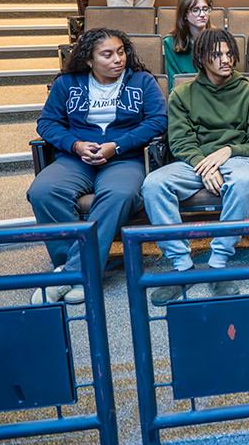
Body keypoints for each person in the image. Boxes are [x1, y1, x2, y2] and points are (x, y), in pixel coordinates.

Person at [28, 29, 167, 304]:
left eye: (121, 52)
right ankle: (77, 268)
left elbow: (157, 121)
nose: (118, 59)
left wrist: (117, 145)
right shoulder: (67, 83)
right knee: (42, 191)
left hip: (124, 158)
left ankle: (71, 275)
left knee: (119, 195)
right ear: (89, 59)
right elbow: (47, 123)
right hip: (76, 158)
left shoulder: (142, 81)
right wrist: (76, 145)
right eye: (107, 54)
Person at [141, 29, 249, 305]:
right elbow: (180, 141)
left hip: (237, 159)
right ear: (201, 58)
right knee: (153, 183)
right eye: (217, 54)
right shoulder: (182, 94)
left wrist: (228, 151)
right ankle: (181, 266)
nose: (225, 60)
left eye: (228, 54)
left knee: (244, 181)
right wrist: (204, 165)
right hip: (194, 162)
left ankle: (218, 263)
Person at [163, 0, 212, 89]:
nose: (202, 14)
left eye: (205, 9)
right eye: (195, 10)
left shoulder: (219, 40)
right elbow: (174, 83)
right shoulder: (170, 43)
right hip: (185, 98)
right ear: (184, 15)